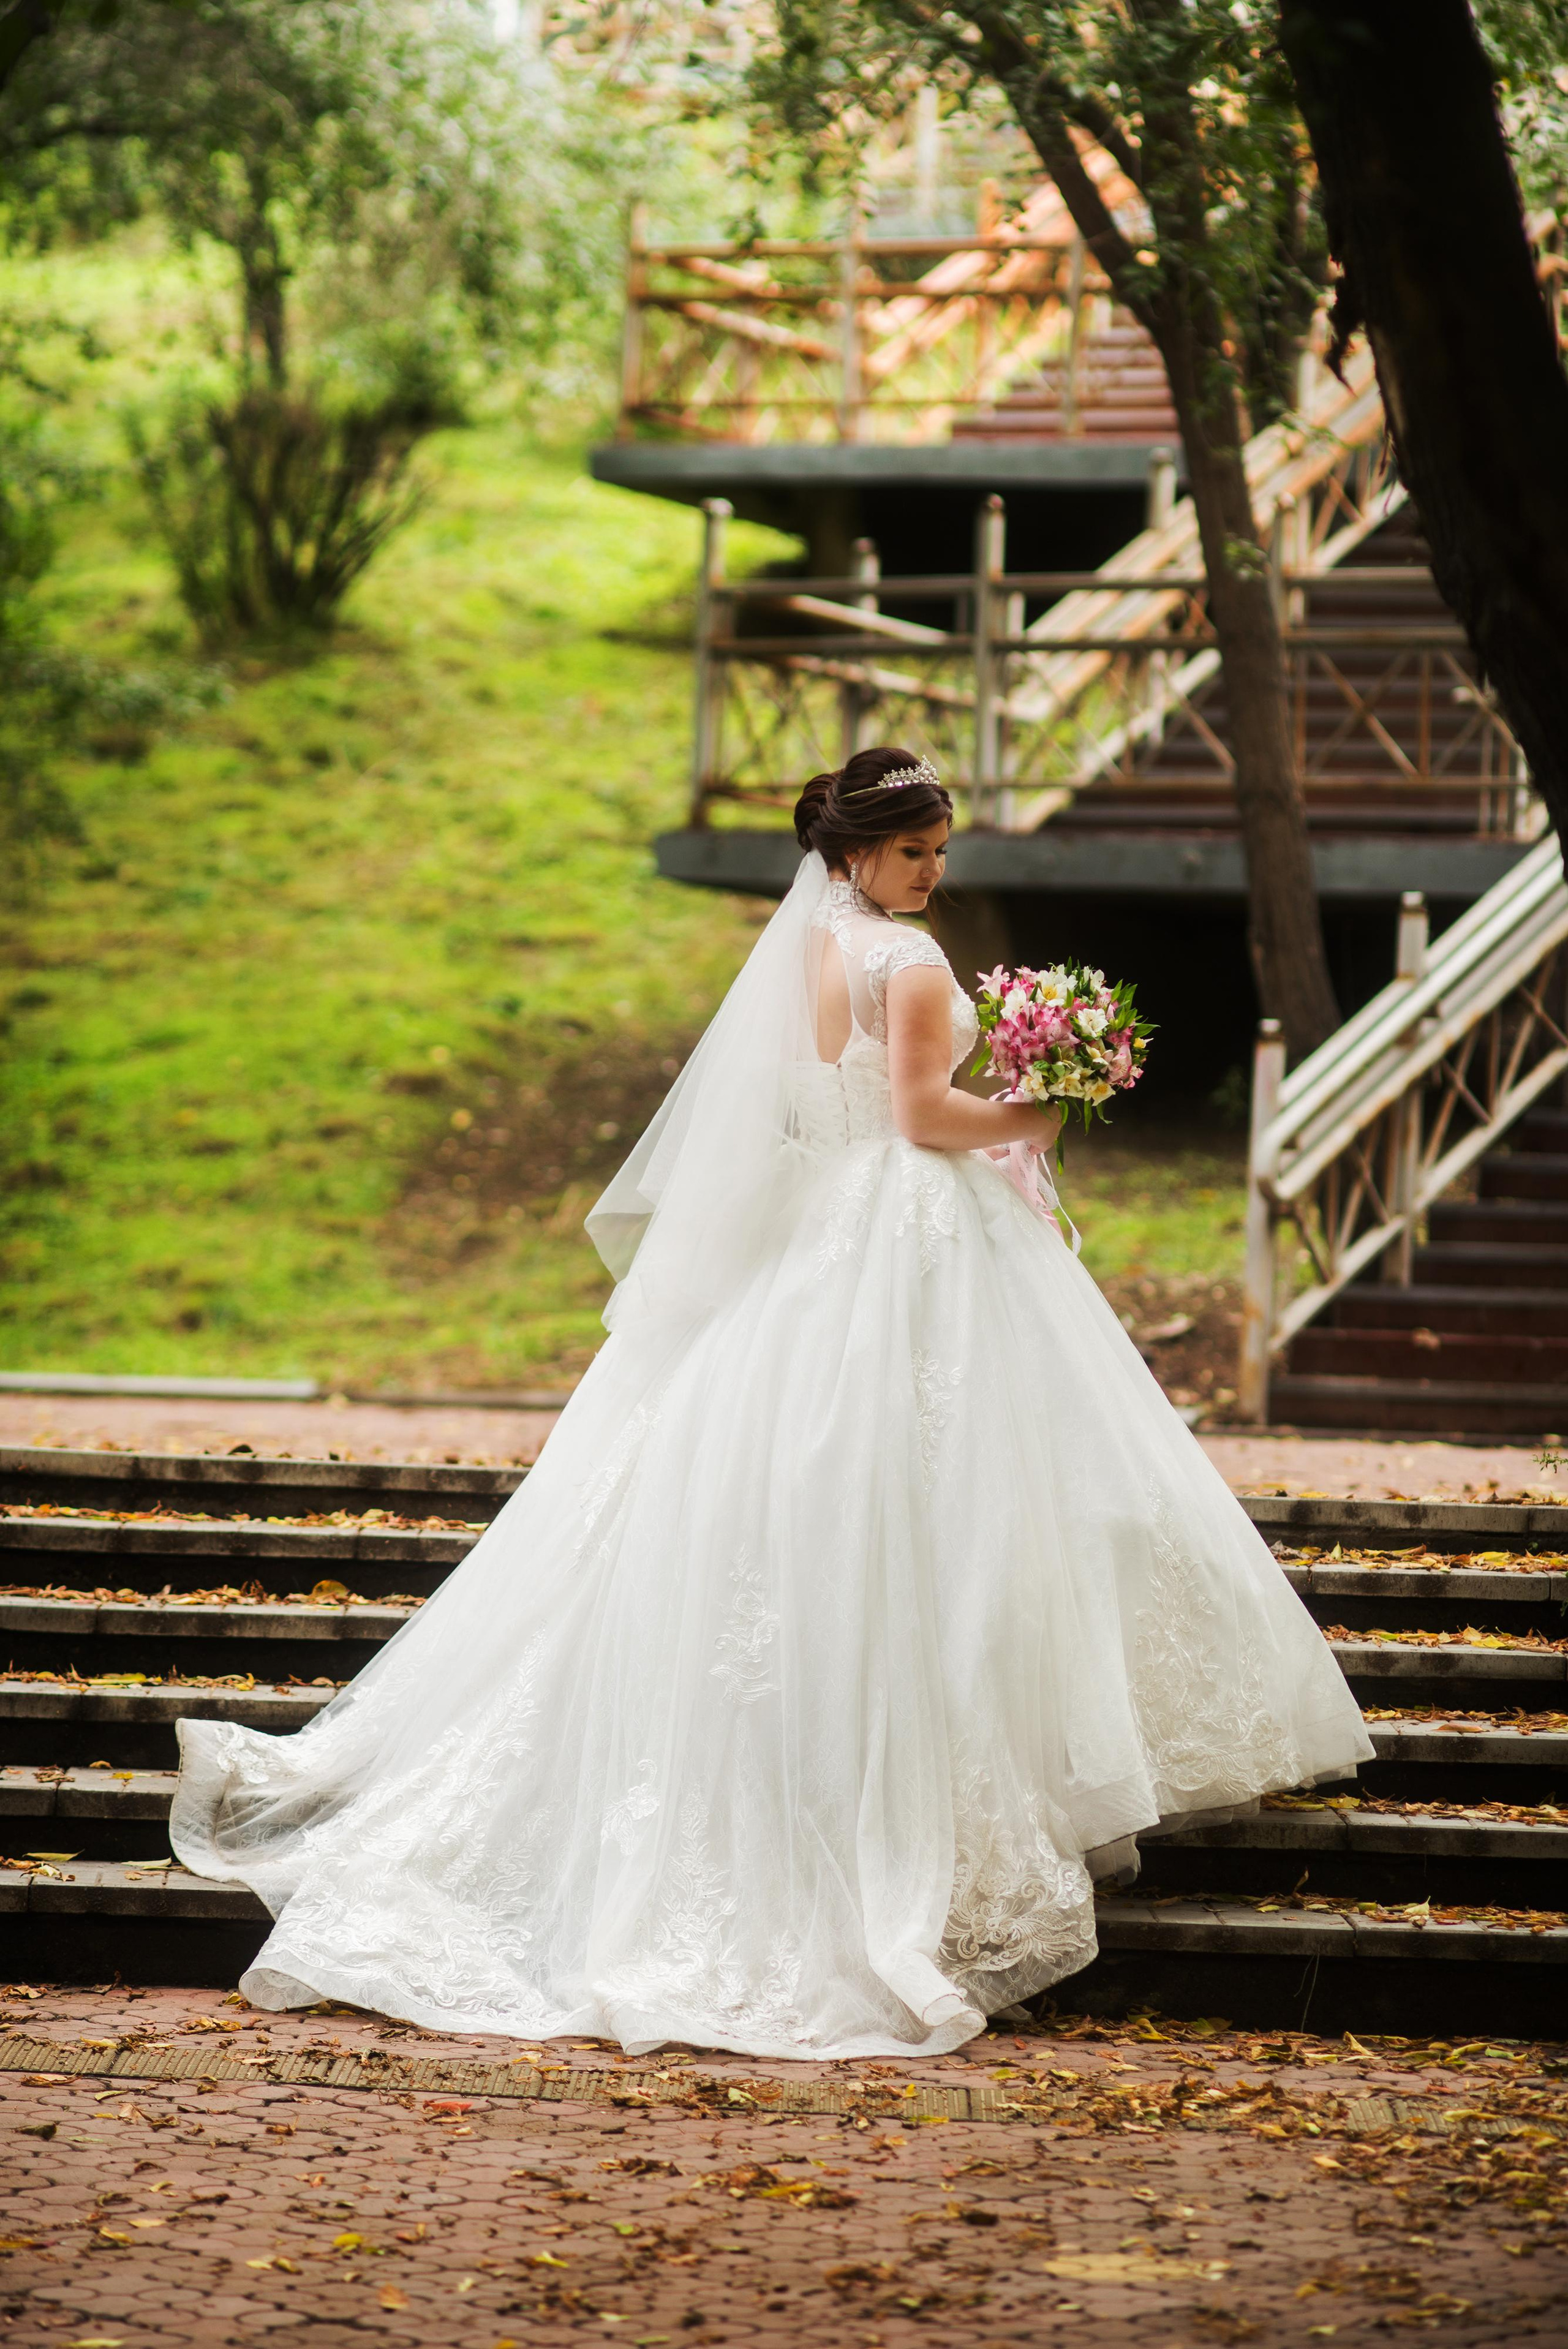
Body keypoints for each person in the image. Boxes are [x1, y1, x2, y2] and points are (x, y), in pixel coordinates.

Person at [172, 745, 1371, 2057]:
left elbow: (827, 1102)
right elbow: (923, 1118)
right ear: (855, 851)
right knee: (959, 1487)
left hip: (816, 1235)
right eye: (912, 850)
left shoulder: (813, 947)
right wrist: (1040, 1109)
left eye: (941, 849)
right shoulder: (911, 963)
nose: (933, 869)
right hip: (907, 1230)